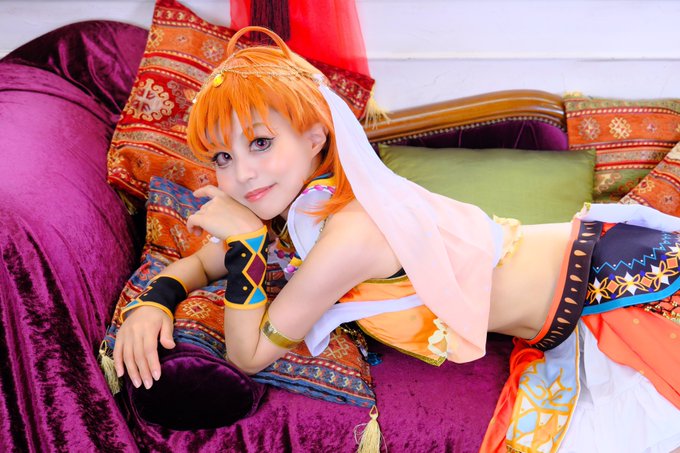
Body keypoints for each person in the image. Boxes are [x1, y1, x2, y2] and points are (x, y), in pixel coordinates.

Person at [112, 26, 680, 452]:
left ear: (315, 137)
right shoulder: (300, 205)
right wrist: (154, 301)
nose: (242, 174)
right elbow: (201, 264)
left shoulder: (351, 232)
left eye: (260, 143)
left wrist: (244, 244)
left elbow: (248, 354)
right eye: (222, 157)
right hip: (584, 295)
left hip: (622, 289)